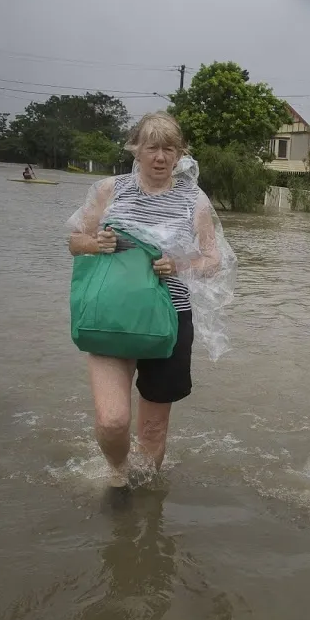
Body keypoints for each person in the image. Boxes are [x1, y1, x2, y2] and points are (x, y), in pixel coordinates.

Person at [66, 111, 236, 490]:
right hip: (110, 315)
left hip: (168, 320)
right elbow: (74, 242)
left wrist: (178, 264)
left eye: (168, 148)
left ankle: (139, 498)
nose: (160, 156)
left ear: (180, 155)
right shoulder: (110, 189)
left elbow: (213, 259)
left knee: (154, 428)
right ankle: (117, 472)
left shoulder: (195, 199)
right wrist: (96, 243)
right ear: (136, 150)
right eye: (152, 147)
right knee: (112, 421)